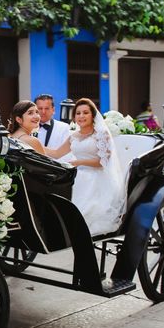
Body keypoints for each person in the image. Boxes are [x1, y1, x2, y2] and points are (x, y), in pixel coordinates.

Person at [45, 98, 126, 236]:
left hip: (97, 176)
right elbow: (57, 153)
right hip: (78, 175)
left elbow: (103, 162)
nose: (81, 116)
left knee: (84, 185)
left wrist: (79, 162)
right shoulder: (73, 136)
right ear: (74, 117)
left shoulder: (101, 134)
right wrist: (33, 145)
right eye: (78, 113)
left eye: (85, 113)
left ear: (92, 115)